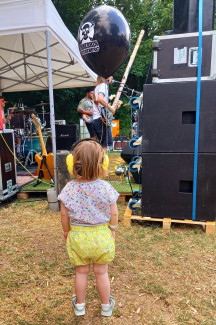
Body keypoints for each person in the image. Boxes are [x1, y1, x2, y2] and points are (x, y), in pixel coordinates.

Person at [58, 139, 119, 317]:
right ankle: (106, 307)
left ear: (73, 163)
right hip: (101, 235)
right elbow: (113, 212)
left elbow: (63, 214)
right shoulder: (106, 188)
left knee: (81, 272)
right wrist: (113, 229)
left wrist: (67, 231)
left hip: (78, 236)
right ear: (103, 163)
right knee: (101, 273)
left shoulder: (69, 188)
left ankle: (80, 306)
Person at [92, 76, 121, 151]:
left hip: (98, 119)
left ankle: (100, 161)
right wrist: (111, 108)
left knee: (103, 145)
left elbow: (102, 105)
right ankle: (101, 162)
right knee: (104, 146)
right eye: (110, 76)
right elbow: (100, 99)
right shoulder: (103, 85)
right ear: (107, 78)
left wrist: (113, 107)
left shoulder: (98, 87)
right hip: (101, 120)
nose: (112, 77)